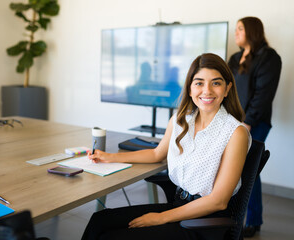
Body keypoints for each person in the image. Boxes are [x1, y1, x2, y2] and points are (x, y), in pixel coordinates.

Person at [82, 53, 251, 240]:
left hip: (205, 222)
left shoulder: (236, 133)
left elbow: (218, 201)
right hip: (179, 206)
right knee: (99, 221)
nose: (207, 90)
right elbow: (156, 154)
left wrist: (161, 218)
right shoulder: (180, 120)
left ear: (227, 89)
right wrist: (110, 157)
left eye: (216, 83)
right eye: (199, 83)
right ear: (189, 88)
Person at [228, 16, 282, 238]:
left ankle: (253, 219)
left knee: (249, 170)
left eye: (240, 29)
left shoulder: (269, 57)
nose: (236, 33)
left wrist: (247, 122)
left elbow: (263, 94)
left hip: (255, 122)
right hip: (233, 121)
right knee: (235, 168)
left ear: (252, 31)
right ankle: (232, 217)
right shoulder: (235, 57)